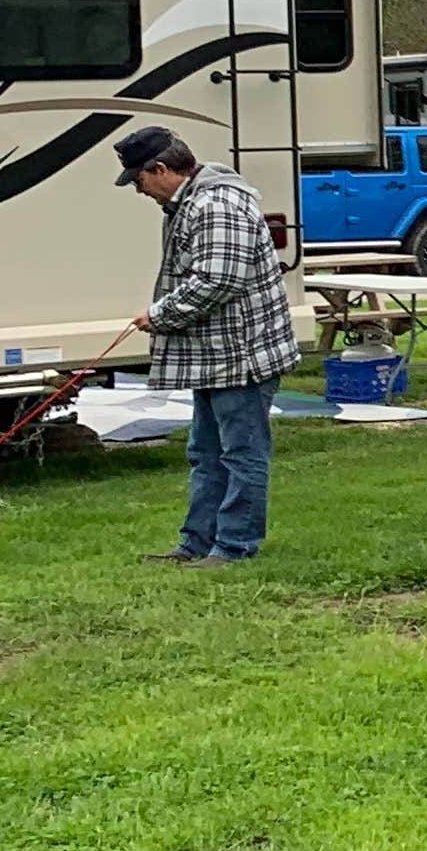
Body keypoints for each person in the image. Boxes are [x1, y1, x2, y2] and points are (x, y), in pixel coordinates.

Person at [118, 124, 299, 565]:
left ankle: (234, 548)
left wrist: (160, 315)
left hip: (242, 357)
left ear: (160, 169)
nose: (139, 192)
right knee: (206, 454)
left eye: (138, 181)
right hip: (217, 357)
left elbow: (218, 280)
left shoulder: (216, 204)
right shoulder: (194, 202)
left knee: (241, 455)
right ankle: (195, 545)